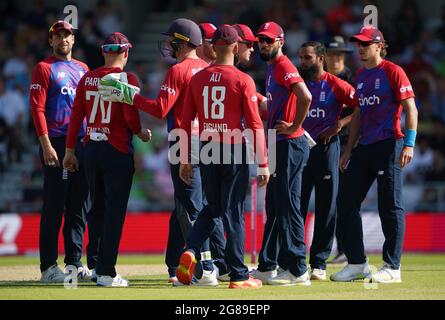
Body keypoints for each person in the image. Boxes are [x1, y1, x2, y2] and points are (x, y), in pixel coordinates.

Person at [98, 18, 218, 286]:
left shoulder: (178, 70)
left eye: (172, 40)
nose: (169, 45)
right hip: (210, 142)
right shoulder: (209, 69)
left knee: (190, 206)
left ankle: (207, 267)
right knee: (184, 205)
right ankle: (175, 265)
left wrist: (126, 94)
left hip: (184, 141)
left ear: (183, 42)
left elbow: (160, 109)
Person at [176, 25, 269, 289]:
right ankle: (238, 275)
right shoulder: (242, 80)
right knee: (234, 213)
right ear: (235, 47)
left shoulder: (197, 79)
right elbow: (254, 124)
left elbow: (184, 122)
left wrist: (185, 158)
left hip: (206, 148)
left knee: (213, 207)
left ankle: (192, 249)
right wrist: (263, 162)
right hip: (232, 148)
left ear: (213, 47)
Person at [330, 26, 418, 283]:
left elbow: (410, 108)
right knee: (346, 202)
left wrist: (410, 144)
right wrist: (348, 149)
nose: (360, 48)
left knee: (389, 205)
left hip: (389, 144)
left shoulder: (393, 71)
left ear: (379, 46)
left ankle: (392, 267)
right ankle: (357, 263)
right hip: (364, 147)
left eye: (365, 44)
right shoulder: (360, 74)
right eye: (358, 44)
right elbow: (358, 113)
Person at [63, 32, 151, 287]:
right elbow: (131, 117)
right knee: (114, 213)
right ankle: (106, 272)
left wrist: (69, 151)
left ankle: (94, 264)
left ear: (104, 53)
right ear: (126, 53)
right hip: (117, 149)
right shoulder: (127, 78)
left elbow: (76, 117)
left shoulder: (87, 78)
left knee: (96, 209)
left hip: (90, 149)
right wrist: (139, 132)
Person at [30, 20, 92, 283]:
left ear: (73, 40)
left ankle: (74, 264)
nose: (63, 39)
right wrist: (45, 145)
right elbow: (37, 109)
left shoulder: (83, 69)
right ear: (51, 41)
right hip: (56, 143)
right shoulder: (44, 68)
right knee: (55, 206)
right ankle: (47, 267)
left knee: (79, 207)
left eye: (67, 35)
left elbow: (89, 108)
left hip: (82, 143)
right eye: (58, 36)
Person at [251, 22, 313, 286]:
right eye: (260, 40)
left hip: (289, 142)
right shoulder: (272, 68)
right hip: (278, 142)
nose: (262, 44)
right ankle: (268, 265)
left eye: (267, 40)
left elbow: (306, 97)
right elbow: (274, 106)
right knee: (275, 207)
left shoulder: (285, 66)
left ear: (280, 41)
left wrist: (296, 125)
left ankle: (298, 269)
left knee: (288, 207)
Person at [298, 41, 355, 280]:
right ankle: (294, 260)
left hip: (325, 150)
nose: (303, 62)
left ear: (321, 59)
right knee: (295, 208)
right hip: (299, 150)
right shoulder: (296, 84)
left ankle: (319, 264)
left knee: (326, 208)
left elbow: (360, 107)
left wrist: (339, 124)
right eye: (301, 57)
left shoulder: (335, 84)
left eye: (308, 57)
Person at [324, 35, 354, 265]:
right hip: (322, 143)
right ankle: (335, 250)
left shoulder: (350, 79)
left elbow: (363, 109)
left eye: (338, 55)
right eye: (332, 55)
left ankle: (346, 249)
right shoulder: (318, 79)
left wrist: (341, 124)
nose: (335, 59)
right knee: (329, 199)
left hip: (345, 143)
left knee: (343, 197)